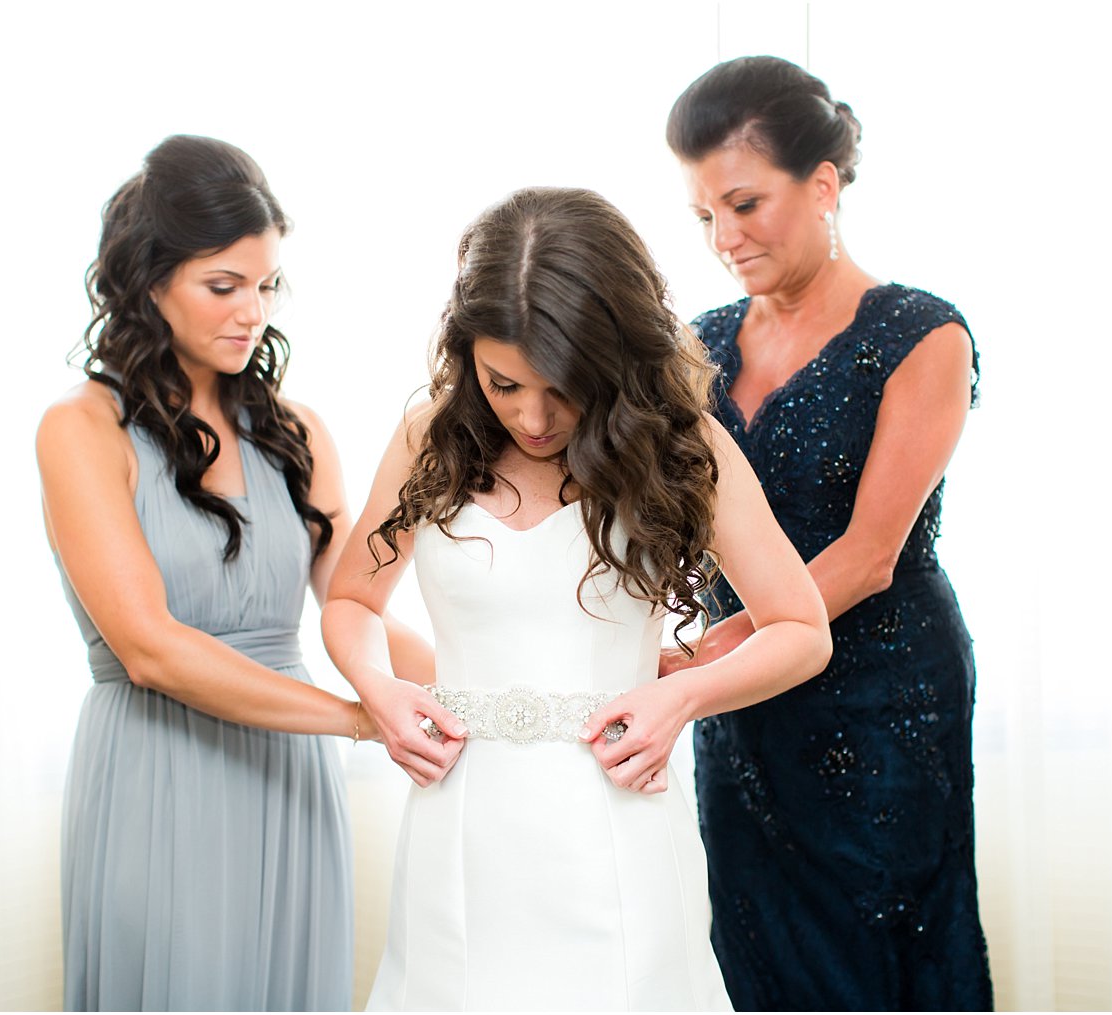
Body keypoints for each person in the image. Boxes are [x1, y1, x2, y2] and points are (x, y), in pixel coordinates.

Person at [321, 186, 833, 1012]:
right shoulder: (431, 437)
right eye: (503, 382)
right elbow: (351, 599)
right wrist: (381, 694)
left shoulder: (681, 445)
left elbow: (802, 629)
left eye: (563, 387)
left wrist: (682, 696)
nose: (532, 415)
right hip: (463, 815)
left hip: (617, 807)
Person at [37, 134, 431, 1011]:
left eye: (266, 285)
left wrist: (481, 683)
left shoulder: (298, 430)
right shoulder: (82, 428)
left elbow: (353, 604)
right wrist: (359, 720)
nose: (252, 310)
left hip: (289, 782)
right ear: (149, 283)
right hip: (157, 775)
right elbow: (149, 649)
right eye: (224, 286)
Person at [662, 56, 993, 1010]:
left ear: (822, 185)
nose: (724, 237)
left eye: (745, 204)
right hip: (744, 697)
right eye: (703, 216)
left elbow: (870, 552)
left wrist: (712, 655)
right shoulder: (698, 342)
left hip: (880, 692)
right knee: (753, 935)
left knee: (877, 939)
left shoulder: (922, 335)